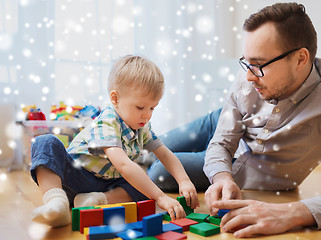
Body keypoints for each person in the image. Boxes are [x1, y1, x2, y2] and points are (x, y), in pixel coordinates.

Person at [148, 2, 321, 238]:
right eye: (247, 62)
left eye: (259, 65)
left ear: (301, 58)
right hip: (222, 122)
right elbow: (221, 142)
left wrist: (291, 212)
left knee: (158, 170)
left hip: (250, 166)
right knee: (146, 146)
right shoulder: (251, 74)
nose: (248, 75)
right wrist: (221, 176)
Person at [30, 55, 199, 227]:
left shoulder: (142, 126)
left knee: (143, 184)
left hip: (106, 184)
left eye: (152, 108)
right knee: (45, 142)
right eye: (140, 107)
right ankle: (56, 202)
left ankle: (94, 201)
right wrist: (161, 197)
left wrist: (184, 180)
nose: (147, 115)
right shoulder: (107, 122)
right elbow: (124, 165)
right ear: (115, 98)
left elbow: (164, 152)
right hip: (75, 175)